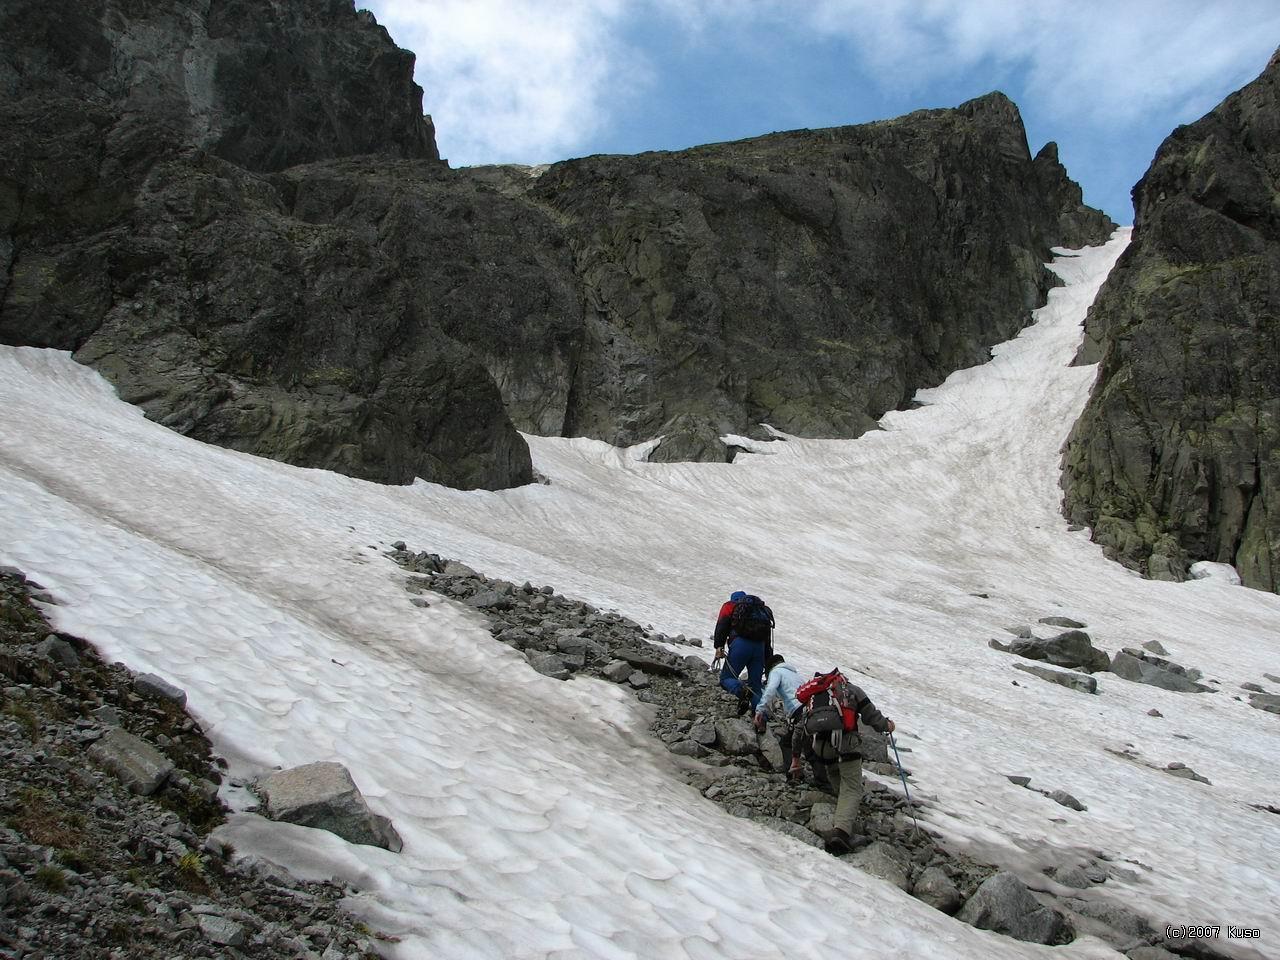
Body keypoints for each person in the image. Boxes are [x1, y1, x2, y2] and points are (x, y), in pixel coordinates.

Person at [807, 674, 895, 855]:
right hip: (846, 744)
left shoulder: (817, 693)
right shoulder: (853, 690)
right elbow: (871, 717)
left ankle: (843, 812)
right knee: (852, 788)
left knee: (835, 775)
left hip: (821, 747)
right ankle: (841, 832)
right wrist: (887, 725)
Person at [713, 591, 773, 714]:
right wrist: (768, 661)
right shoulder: (760, 611)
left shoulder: (730, 606)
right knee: (756, 686)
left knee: (726, 678)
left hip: (740, 645)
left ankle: (741, 692)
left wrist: (719, 646)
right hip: (760, 647)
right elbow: (767, 639)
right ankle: (761, 718)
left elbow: (722, 626)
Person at [752, 654, 807, 781]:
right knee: (807, 744)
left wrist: (759, 709)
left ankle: (792, 775)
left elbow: (771, 689)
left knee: (787, 743)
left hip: (797, 711)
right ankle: (821, 780)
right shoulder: (796, 675)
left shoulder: (776, 672)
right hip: (809, 710)